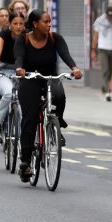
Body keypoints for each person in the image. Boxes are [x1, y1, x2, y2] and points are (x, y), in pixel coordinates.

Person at [13, 10, 83, 181]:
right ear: (35, 24)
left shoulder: (55, 38)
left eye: (50, 21)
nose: (49, 24)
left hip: (49, 79)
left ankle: (55, 123)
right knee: (30, 118)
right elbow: (19, 57)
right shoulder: (24, 39)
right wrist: (20, 68)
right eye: (45, 22)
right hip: (29, 80)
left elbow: (65, 54)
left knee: (59, 96)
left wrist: (74, 68)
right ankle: (26, 163)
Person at [0, 11, 27, 136]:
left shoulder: (27, 36)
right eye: (15, 23)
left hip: (21, 73)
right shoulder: (3, 34)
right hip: (2, 72)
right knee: (9, 93)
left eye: (21, 23)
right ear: (10, 24)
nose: (19, 26)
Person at [91, 6, 112, 101]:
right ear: (106, 14)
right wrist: (93, 50)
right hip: (102, 49)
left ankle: (104, 88)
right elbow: (96, 36)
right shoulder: (99, 21)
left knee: (110, 71)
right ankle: (108, 92)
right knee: (105, 71)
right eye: (109, 16)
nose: (111, 18)